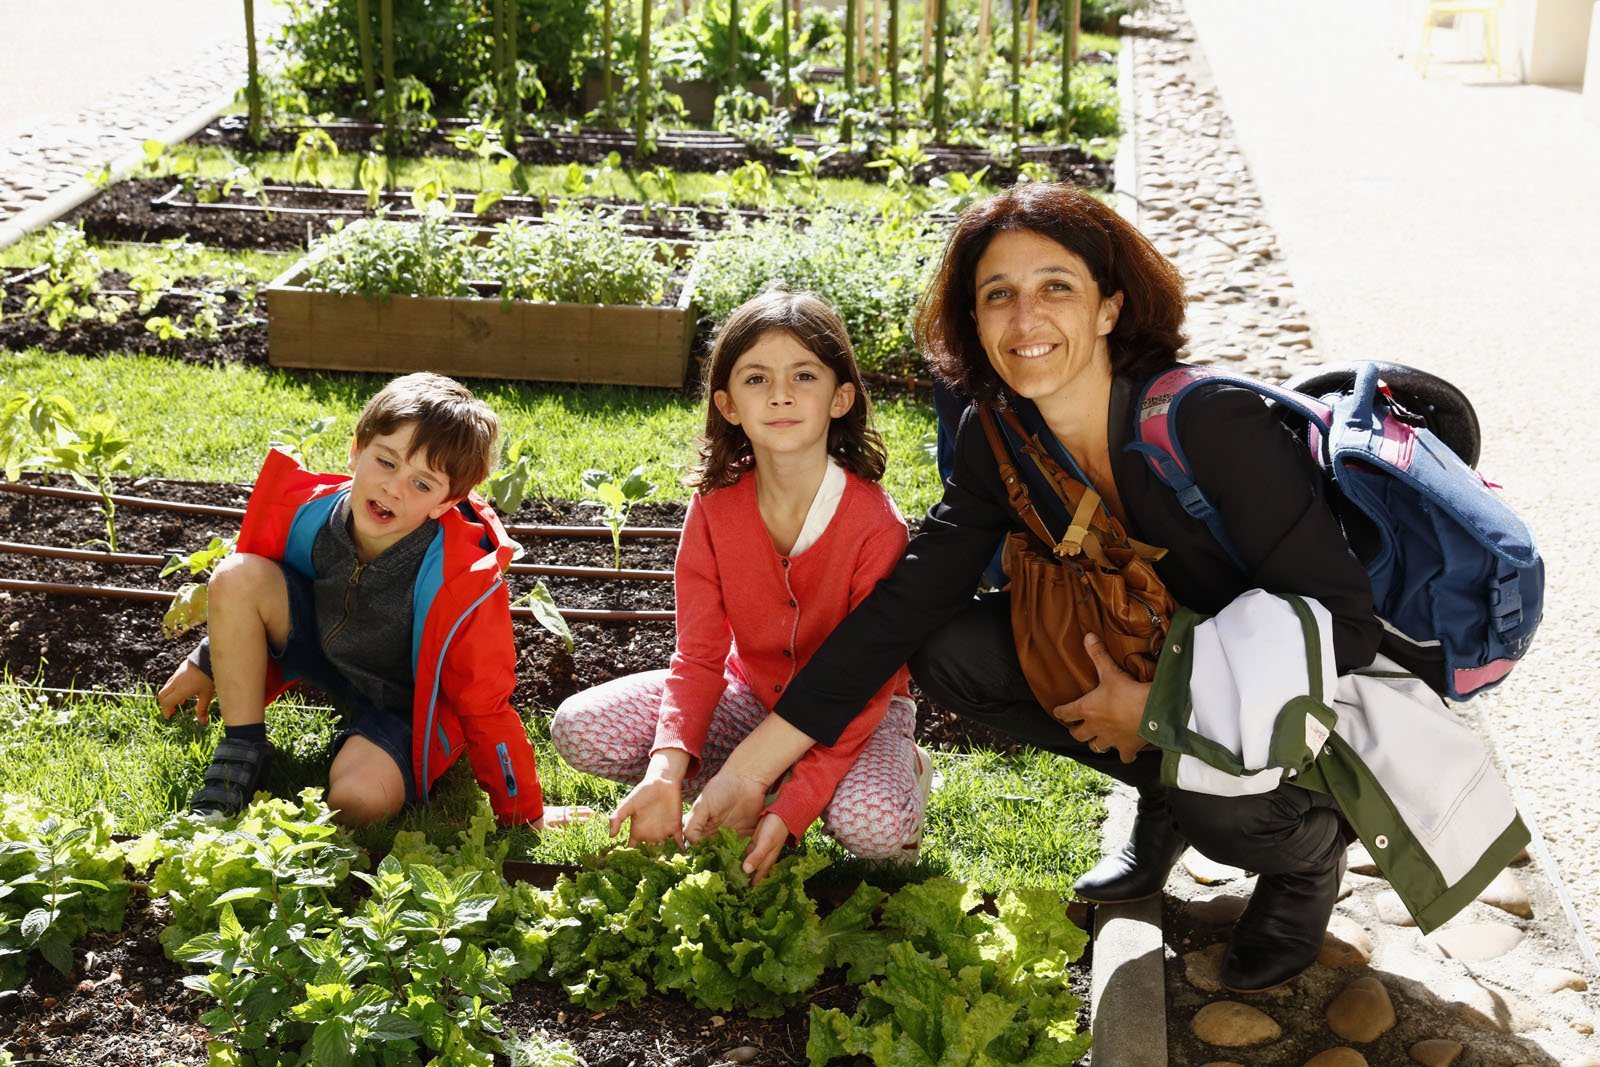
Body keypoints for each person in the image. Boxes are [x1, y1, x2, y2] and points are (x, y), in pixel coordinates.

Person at [681, 183, 1385, 994]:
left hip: (1286, 698)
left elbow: (1345, 625)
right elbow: (906, 605)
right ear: (974, 322)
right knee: (951, 649)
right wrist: (746, 770)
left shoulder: (1211, 423)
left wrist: (1161, 706)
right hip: (1153, 657)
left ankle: (1305, 857)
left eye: (1056, 287)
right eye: (997, 296)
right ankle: (1163, 797)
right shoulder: (999, 432)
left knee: (1223, 810)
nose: (1025, 321)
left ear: (1109, 308)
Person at [551, 290, 933, 883]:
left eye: (804, 375)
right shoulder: (714, 508)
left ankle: (900, 770)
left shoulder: (875, 526)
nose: (780, 394)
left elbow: (865, 688)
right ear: (728, 404)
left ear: (841, 398)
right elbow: (699, 655)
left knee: (872, 824)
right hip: (750, 697)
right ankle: (746, 780)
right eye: (757, 378)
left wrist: (796, 807)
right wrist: (665, 772)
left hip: (863, 715)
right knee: (579, 726)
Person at [158, 372, 584, 830]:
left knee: (357, 802)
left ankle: (366, 758)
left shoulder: (462, 578)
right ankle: (243, 747)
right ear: (357, 448)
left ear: (448, 502)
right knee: (238, 573)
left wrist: (523, 813)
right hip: (330, 657)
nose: (394, 488)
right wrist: (206, 659)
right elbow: (256, 591)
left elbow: (485, 702)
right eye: (386, 462)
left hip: (405, 706)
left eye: (422, 485)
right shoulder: (311, 515)